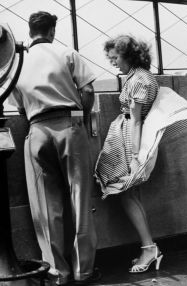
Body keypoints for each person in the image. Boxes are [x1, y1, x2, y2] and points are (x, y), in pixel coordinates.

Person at [8, 11, 99, 286]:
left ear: (30, 30)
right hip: (69, 126)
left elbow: (19, 104)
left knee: (46, 207)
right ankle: (83, 271)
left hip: (36, 129)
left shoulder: (17, 63)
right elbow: (88, 92)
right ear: (52, 30)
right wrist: (81, 120)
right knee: (80, 199)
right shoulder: (67, 53)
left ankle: (58, 273)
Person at [95, 35, 164, 274]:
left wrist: (135, 157)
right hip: (131, 139)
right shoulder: (144, 76)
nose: (113, 62)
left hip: (130, 142)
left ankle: (149, 248)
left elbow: (135, 121)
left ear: (129, 55)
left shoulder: (138, 80)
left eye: (116, 58)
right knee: (130, 195)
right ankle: (149, 247)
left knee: (127, 195)